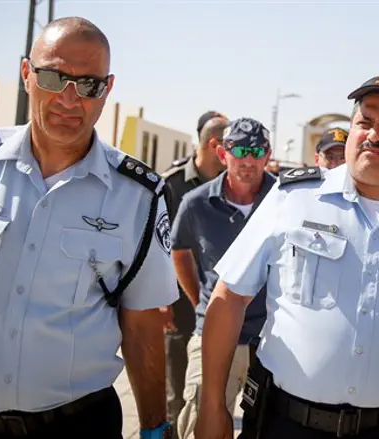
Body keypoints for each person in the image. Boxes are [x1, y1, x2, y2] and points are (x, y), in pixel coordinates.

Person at [194, 72, 379, 439]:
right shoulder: (292, 198)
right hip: (283, 425)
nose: (374, 134)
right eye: (365, 122)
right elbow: (229, 298)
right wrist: (213, 406)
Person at [0, 17, 176, 439]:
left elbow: (142, 324)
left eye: (88, 85)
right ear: (26, 75)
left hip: (75, 426)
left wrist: (154, 429)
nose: (70, 98)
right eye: (54, 77)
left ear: (106, 90)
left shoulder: (138, 196)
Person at [171, 117, 275, 439]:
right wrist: (201, 300)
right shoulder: (196, 204)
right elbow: (180, 252)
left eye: (256, 151)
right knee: (202, 422)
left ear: (268, 154)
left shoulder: (285, 200)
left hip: (270, 338)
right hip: (212, 335)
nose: (248, 160)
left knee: (271, 428)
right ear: (222, 153)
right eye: (239, 149)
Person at [161, 113, 229, 437]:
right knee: (176, 388)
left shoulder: (233, 186)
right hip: (176, 300)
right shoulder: (171, 184)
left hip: (218, 302)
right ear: (215, 145)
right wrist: (159, 299)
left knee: (210, 388)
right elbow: (152, 243)